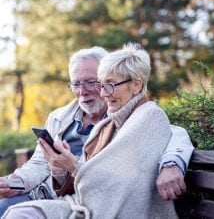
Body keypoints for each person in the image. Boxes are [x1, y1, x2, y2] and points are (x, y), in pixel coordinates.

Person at [1, 45, 194, 218]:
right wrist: (17, 181)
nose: (84, 91)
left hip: (84, 199)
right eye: (76, 84)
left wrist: (172, 164)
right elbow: (40, 162)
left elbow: (171, 133)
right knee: (8, 208)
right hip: (55, 195)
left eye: (92, 82)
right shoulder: (60, 118)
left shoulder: (128, 115)